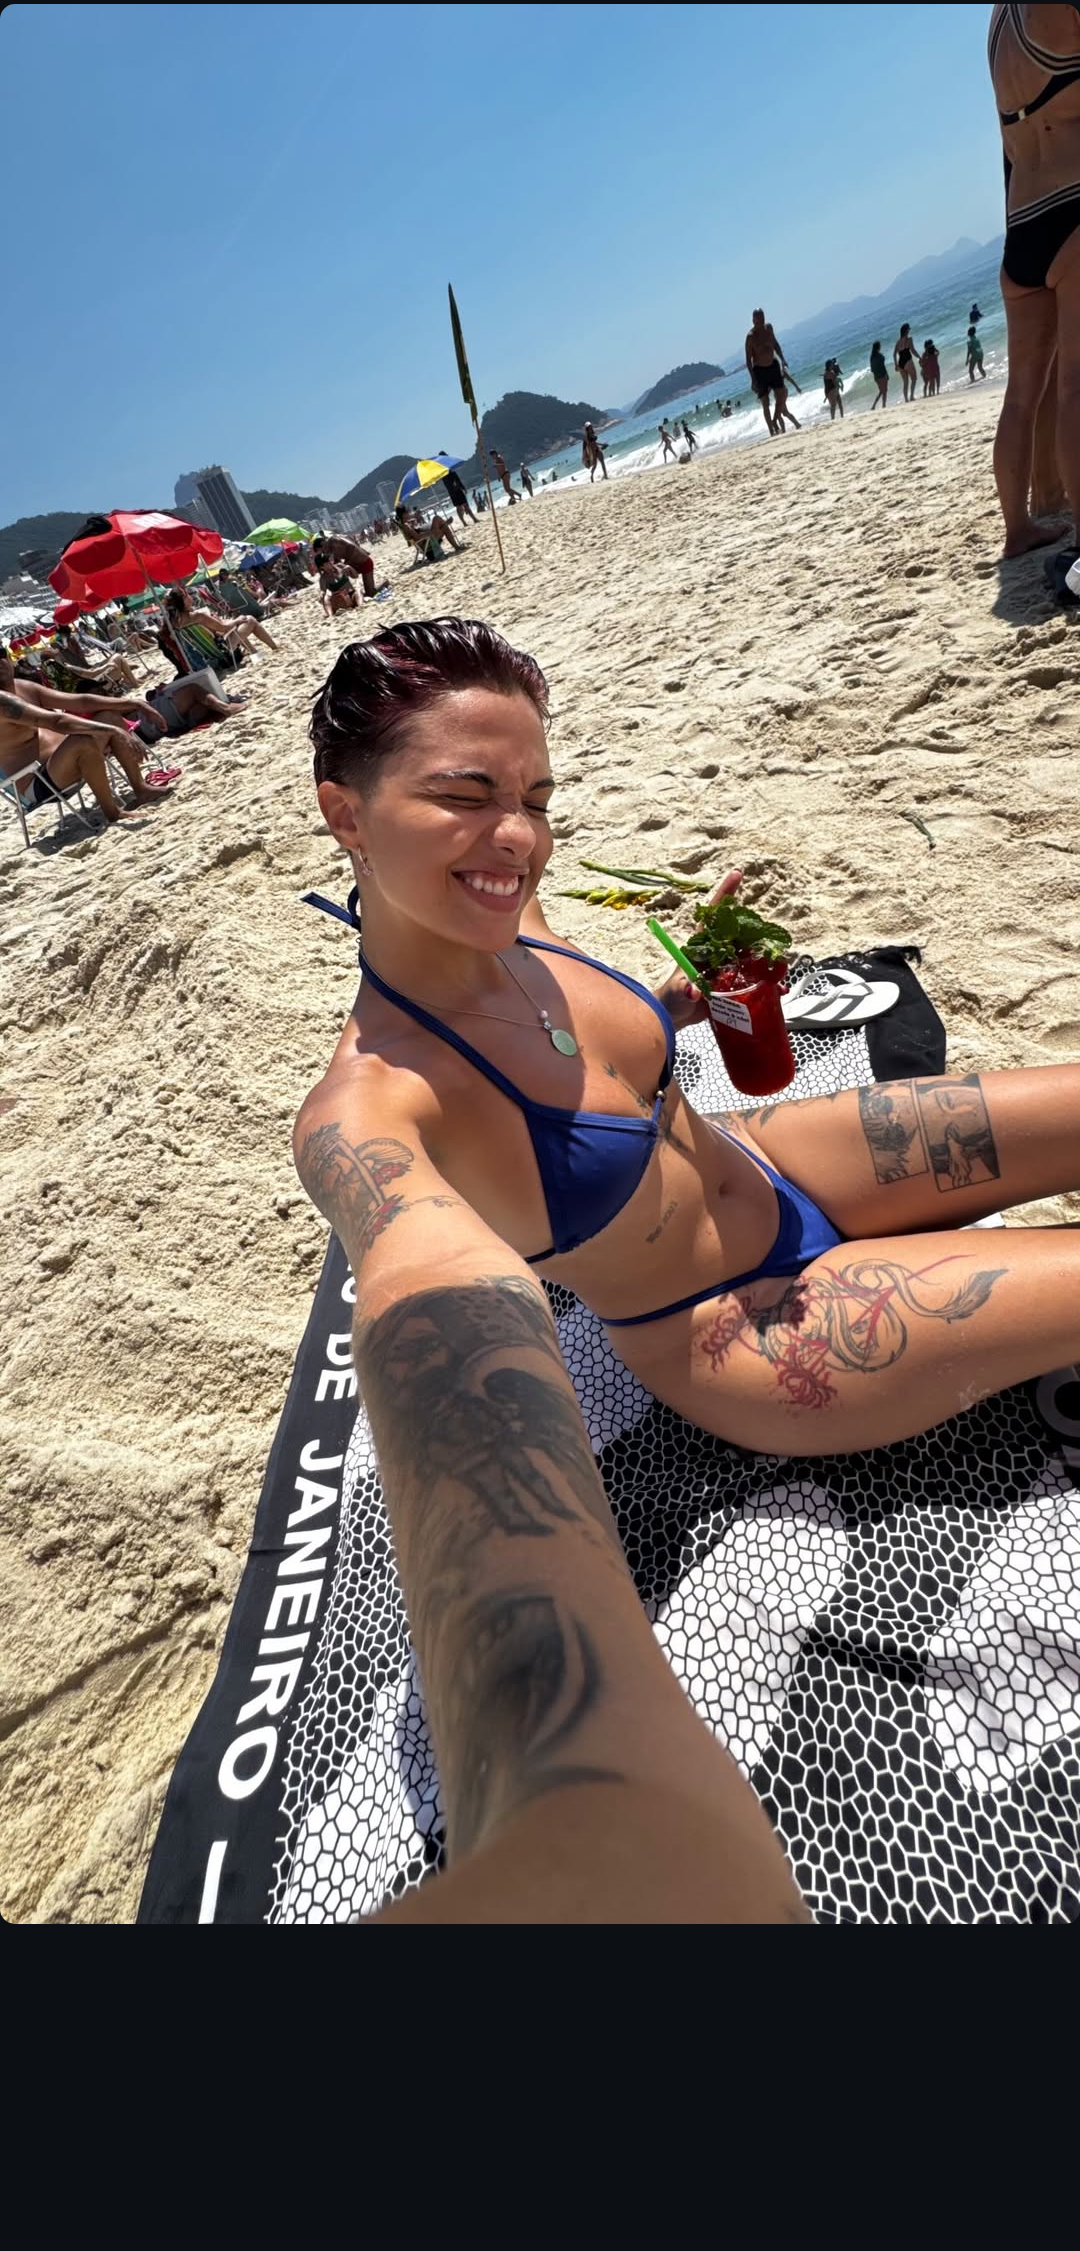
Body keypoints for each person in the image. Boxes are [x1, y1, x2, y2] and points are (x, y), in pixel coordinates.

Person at [294, 620, 1080, 1908]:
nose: (516, 837)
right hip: (740, 1324)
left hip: (781, 1160)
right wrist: (571, 1793)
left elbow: (589, 1034)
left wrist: (679, 997)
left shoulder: (510, 915)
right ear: (347, 812)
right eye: (465, 795)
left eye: (537, 796)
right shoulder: (369, 1112)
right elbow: (431, 1316)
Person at [0, 648, 176, 824]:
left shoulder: (23, 687)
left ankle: (141, 789)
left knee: (108, 717)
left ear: (8, 657)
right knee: (84, 739)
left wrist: (134, 703)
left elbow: (81, 701)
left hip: (67, 760)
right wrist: (112, 731)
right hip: (39, 783)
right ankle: (113, 812)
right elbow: (56, 721)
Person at [744, 309, 790, 434]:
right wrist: (753, 379)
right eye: (757, 320)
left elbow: (775, 344)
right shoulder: (750, 337)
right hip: (759, 371)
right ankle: (771, 430)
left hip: (773, 365)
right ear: (753, 321)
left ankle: (775, 420)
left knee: (781, 393)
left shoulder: (769, 328)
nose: (760, 322)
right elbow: (748, 360)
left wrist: (783, 359)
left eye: (762, 318)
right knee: (765, 402)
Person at [312, 533, 383, 599]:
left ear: (323, 544)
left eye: (322, 551)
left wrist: (347, 563)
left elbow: (352, 547)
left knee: (370, 593)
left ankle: (385, 583)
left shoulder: (334, 540)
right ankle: (351, 593)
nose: (324, 552)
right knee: (340, 573)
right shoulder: (331, 548)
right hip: (355, 564)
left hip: (364, 563)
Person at [894, 324, 919, 402]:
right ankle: (911, 396)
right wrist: (919, 357)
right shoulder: (909, 339)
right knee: (914, 378)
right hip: (908, 361)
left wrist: (896, 365)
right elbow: (913, 351)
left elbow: (894, 354)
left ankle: (906, 399)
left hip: (900, 364)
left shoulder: (898, 342)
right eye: (908, 329)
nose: (909, 331)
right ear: (906, 331)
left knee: (905, 382)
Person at [869, 340, 889, 409]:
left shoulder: (872, 357)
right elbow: (883, 366)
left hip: (876, 377)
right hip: (882, 375)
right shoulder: (880, 356)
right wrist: (886, 374)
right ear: (878, 347)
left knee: (881, 391)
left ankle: (874, 406)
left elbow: (872, 369)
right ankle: (884, 405)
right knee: (884, 391)